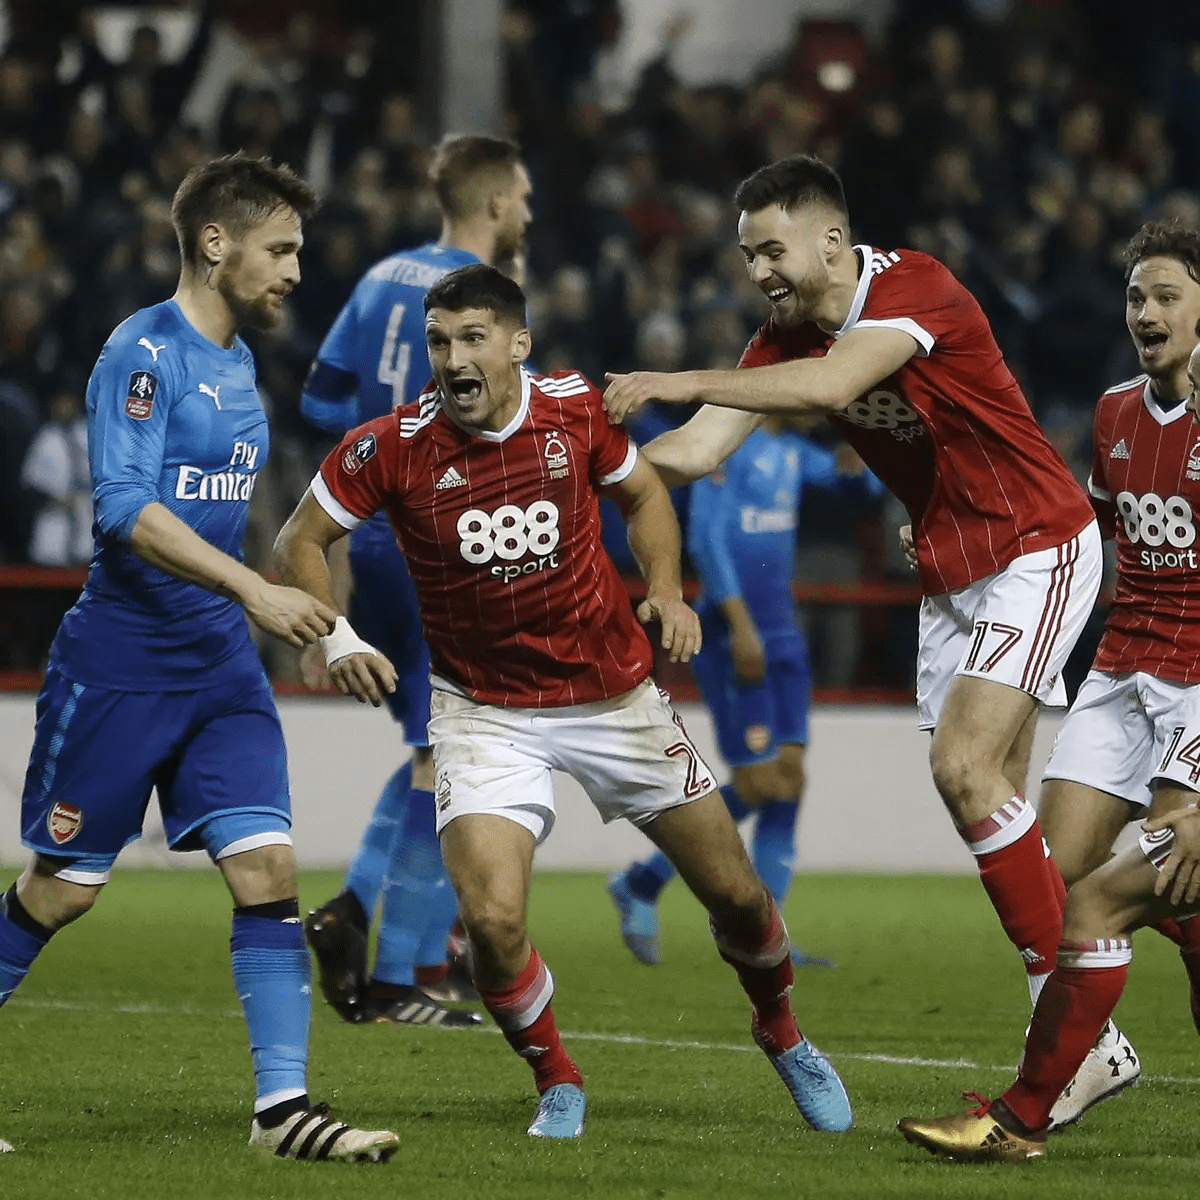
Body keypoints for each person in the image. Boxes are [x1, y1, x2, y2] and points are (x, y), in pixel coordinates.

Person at [601, 153, 1132, 1125]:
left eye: (772, 247)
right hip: (950, 570)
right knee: (1003, 807)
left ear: (832, 239)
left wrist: (671, 375)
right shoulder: (779, 340)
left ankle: (1076, 1039)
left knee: (965, 771)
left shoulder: (911, 284)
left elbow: (836, 379)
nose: (758, 269)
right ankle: (1088, 1034)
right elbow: (699, 449)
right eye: (746, 254)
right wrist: (588, 458)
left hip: (1037, 541)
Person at [274, 263, 854, 1140]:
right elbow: (300, 538)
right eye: (439, 341)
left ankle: (782, 1031)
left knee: (735, 896)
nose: (452, 358)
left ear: (517, 344)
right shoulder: (391, 444)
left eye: (472, 338)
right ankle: (557, 1076)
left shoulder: (574, 408)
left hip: (615, 696)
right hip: (484, 712)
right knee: (495, 920)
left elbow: (646, 493)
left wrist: (667, 588)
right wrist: (337, 635)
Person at [0, 153, 398, 1163]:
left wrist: (327, 628)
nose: (297, 270)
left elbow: (249, 535)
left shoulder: (238, 365)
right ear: (215, 244)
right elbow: (126, 510)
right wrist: (254, 593)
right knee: (63, 891)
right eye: (281, 249)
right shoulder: (143, 354)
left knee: (265, 867)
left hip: (221, 666)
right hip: (122, 664)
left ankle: (281, 1113)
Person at [896, 226, 1200, 1163]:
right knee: (1060, 884)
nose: (1145, 314)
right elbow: (1077, 531)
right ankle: (1081, 1063)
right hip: (1118, 674)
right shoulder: (1111, 416)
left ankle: (1032, 1110)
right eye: (1135, 298)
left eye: (1166, 297)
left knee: (1119, 896)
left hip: (1198, 684)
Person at [298, 135, 532, 1028]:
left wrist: (375, 450)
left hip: (377, 534)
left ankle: (363, 916)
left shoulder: (382, 276)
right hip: (447, 541)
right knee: (458, 754)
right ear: (497, 201)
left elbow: (321, 401)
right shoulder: (484, 308)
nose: (529, 215)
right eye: (524, 199)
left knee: (433, 750)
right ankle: (400, 975)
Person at [608, 420, 881, 967]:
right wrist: (740, 626)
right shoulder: (727, 449)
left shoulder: (794, 453)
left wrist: (861, 466)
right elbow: (706, 538)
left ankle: (771, 935)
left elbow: (865, 489)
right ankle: (641, 882)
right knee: (759, 782)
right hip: (738, 635)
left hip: (783, 634)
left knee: (789, 778)